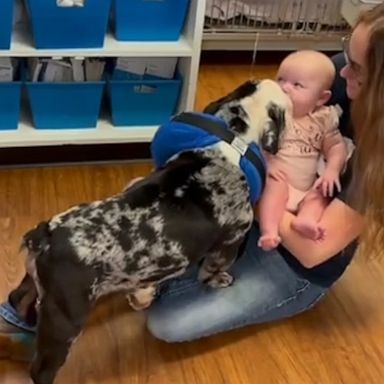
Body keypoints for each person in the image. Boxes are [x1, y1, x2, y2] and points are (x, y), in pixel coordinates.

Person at [1, 2, 383, 355]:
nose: (343, 68)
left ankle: (142, 278)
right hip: (250, 206)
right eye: (346, 52)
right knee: (131, 213)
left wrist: (247, 189)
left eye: (358, 69)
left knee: (169, 320)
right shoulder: (329, 75)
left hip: (295, 254)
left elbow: (313, 250)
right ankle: (40, 300)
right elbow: (255, 110)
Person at [257, 50, 348, 251]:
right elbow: (253, 140)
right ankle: (269, 231)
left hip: (304, 187)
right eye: (281, 80)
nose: (284, 88)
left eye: (297, 85)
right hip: (276, 180)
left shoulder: (323, 118)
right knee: (275, 185)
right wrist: (267, 162)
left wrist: (331, 171)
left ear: (321, 98)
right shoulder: (271, 113)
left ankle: (306, 220)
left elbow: (336, 147)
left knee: (320, 195)